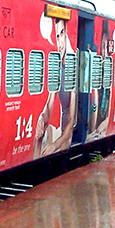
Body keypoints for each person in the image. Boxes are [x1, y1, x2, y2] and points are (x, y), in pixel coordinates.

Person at [34, 17, 76, 158]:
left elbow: (72, 121)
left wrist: (55, 144)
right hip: (59, 132)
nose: (60, 43)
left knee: (57, 144)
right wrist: (41, 119)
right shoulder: (56, 66)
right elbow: (49, 105)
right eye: (57, 36)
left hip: (66, 136)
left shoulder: (72, 68)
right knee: (38, 138)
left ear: (67, 34)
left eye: (62, 34)